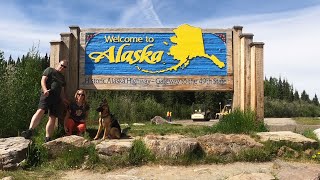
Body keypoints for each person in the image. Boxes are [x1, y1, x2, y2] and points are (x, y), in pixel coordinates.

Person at [21, 60, 69, 142]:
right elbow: (43, 80)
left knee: (53, 117)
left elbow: (62, 90)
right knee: (40, 111)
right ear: (58, 64)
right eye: (61, 65)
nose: (62, 67)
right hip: (47, 95)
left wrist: (64, 98)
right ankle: (30, 131)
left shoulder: (62, 77)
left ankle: (48, 138)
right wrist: (45, 90)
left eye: (64, 67)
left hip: (56, 99)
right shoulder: (50, 70)